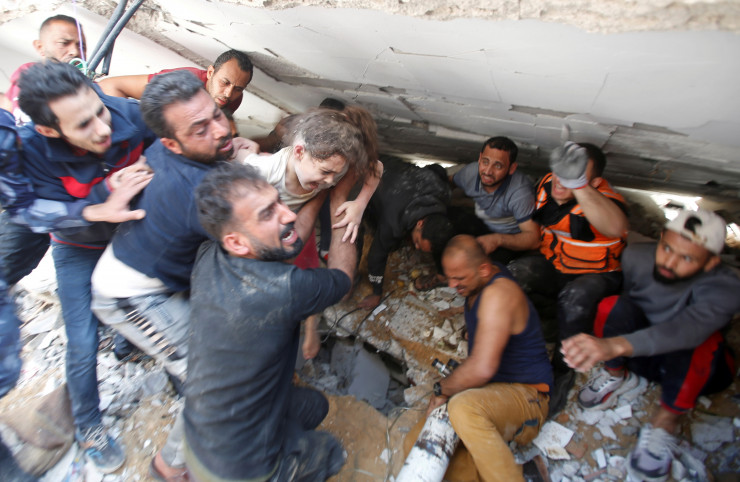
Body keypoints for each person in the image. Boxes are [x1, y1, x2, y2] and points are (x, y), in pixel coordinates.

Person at [90, 69, 258, 480]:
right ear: (171, 142)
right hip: (131, 297)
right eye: (201, 129)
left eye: (216, 114)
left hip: (151, 270)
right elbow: (264, 244)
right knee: (218, 381)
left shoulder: (168, 149)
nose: (221, 129)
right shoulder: (200, 190)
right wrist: (249, 163)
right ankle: (170, 466)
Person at [16, 61, 157, 473]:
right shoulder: (29, 151)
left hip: (129, 235)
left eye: (99, 110)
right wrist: (100, 201)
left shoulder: (129, 115)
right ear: (49, 131)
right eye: (83, 125)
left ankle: (128, 344)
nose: (102, 128)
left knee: (147, 305)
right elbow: (36, 213)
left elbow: (170, 145)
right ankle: (88, 424)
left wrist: (155, 163)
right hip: (76, 246)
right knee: (82, 342)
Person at [184, 162, 351, 481]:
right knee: (329, 451)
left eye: (279, 201)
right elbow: (343, 277)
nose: (287, 214)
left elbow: (284, 243)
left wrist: (319, 193)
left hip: (201, 433)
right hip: (239, 469)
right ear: (236, 242)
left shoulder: (210, 255)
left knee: (314, 406)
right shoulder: (287, 290)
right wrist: (341, 198)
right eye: (267, 213)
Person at [562, 208, 739, 482]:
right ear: (661, 237)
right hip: (641, 352)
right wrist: (615, 348)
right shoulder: (636, 257)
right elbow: (631, 304)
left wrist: (614, 345)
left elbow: (686, 331)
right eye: (666, 248)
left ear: (711, 263)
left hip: (695, 370)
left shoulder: (727, 287)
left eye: (687, 258)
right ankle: (615, 375)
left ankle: (665, 423)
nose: (669, 261)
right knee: (612, 306)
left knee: (705, 340)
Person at [405, 235, 553, 481]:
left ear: (484, 269)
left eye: (459, 278)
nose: (452, 285)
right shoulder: (481, 281)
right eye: (450, 277)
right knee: (416, 443)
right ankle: (525, 472)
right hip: (492, 392)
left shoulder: (497, 294)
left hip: (529, 397)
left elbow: (482, 368)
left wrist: (442, 389)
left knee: (462, 408)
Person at [240, 106, 380, 358]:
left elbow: (375, 166)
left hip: (297, 215)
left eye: (337, 174)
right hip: (274, 218)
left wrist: (360, 205)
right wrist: (245, 151)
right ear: (300, 152)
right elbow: (242, 165)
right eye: (326, 173)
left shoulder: (333, 165)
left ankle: (310, 324)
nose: (331, 180)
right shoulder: (269, 170)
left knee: (304, 265)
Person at [507, 139, 628, 415]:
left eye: (576, 175)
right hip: (557, 266)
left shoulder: (604, 201)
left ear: (594, 182)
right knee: (516, 274)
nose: (562, 181)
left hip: (595, 277)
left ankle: (562, 370)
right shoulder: (547, 185)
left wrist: (580, 187)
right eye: (562, 171)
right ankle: (541, 329)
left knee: (574, 298)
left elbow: (616, 226)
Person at [0, 14, 87, 297]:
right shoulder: (27, 76)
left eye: (80, 44)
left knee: (15, 264)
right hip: (25, 194)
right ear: (40, 47)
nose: (74, 51)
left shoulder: (81, 90)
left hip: (51, 201)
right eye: (65, 43)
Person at [358, 155, 454, 309]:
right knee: (365, 227)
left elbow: (435, 169)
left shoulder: (444, 193)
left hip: (400, 172)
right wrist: (376, 292)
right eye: (417, 242)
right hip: (373, 171)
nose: (416, 247)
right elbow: (376, 256)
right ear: (420, 223)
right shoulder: (393, 221)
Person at [452, 136, 539, 263]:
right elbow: (447, 183)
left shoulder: (520, 192)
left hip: (510, 238)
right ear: (480, 158)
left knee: (485, 264)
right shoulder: (470, 172)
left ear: (511, 168)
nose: (488, 171)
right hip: (483, 224)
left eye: (498, 166)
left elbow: (534, 239)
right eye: (485, 162)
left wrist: (497, 240)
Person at [98, 49, 253, 113]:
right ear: (210, 73)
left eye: (238, 88)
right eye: (225, 83)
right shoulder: (181, 82)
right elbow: (111, 85)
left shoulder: (233, 99)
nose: (229, 93)